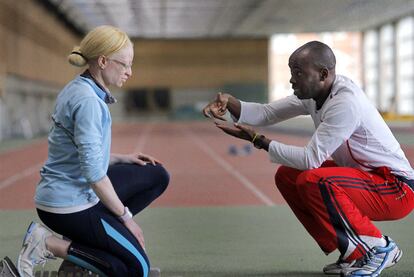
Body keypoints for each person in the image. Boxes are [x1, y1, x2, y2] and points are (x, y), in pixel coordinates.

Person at [203, 41, 414, 277]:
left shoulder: (345, 103)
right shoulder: (316, 94)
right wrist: (229, 100)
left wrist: (258, 141)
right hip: (368, 179)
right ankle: (352, 252)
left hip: (396, 189)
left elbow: (310, 159)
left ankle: (378, 247)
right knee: (288, 176)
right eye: (292, 72)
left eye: (298, 73)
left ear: (323, 74)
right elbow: (267, 112)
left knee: (315, 180)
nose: (292, 80)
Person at [15, 25, 170, 277]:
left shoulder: (83, 88)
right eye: (125, 65)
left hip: (76, 191)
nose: (130, 72)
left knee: (156, 174)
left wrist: (122, 158)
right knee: (136, 269)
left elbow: (84, 158)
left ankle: (85, 250)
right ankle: (49, 244)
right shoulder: (88, 102)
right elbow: (95, 176)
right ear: (103, 61)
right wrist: (126, 218)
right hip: (69, 206)